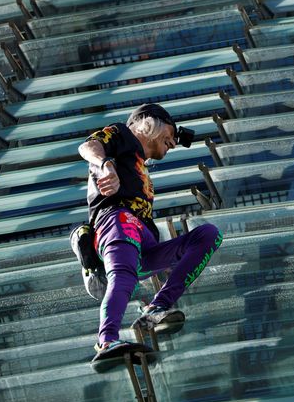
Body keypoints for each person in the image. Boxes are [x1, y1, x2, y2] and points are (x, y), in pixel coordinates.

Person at [77, 103, 223, 365]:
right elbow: (88, 146)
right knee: (123, 274)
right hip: (117, 221)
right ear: (151, 123)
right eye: (172, 133)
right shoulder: (122, 134)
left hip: (143, 241)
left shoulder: (139, 164)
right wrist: (105, 165)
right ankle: (107, 340)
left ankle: (156, 308)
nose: (174, 143)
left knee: (207, 234)